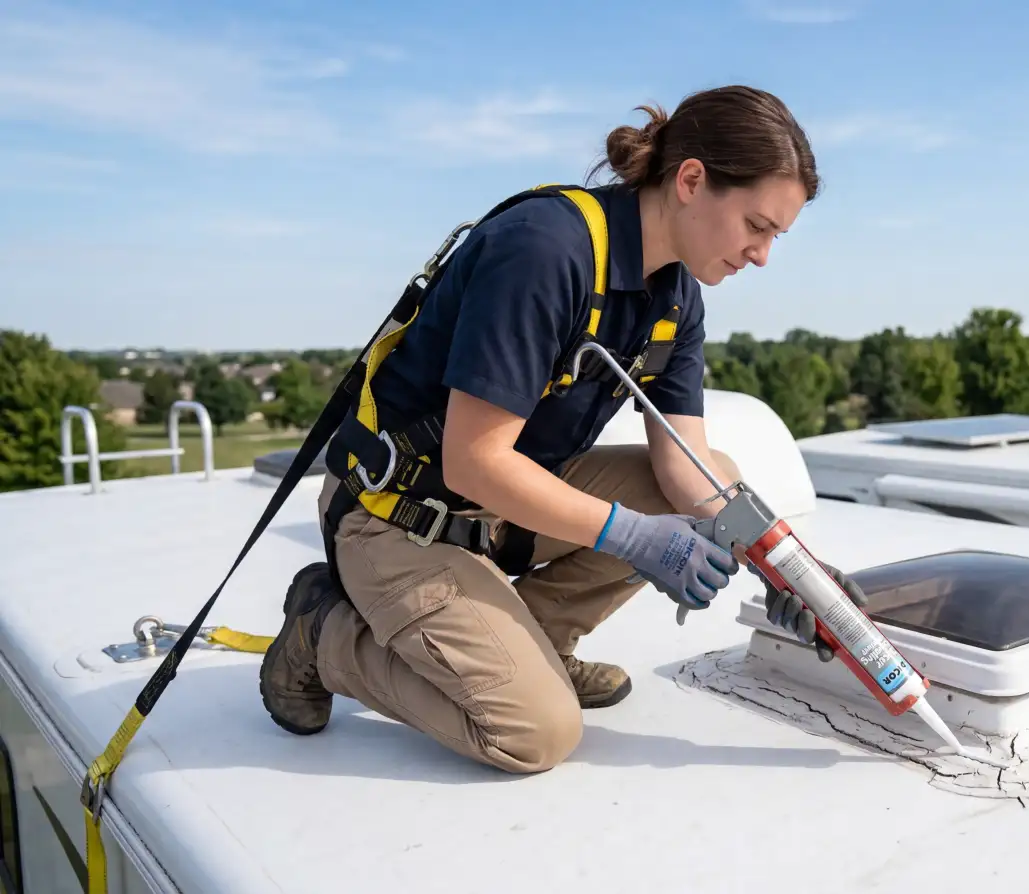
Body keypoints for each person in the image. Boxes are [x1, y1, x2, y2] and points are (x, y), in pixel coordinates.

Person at [257, 84, 865, 775]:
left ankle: (538, 645)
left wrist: (788, 569)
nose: (762, 255)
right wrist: (633, 538)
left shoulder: (677, 295)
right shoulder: (546, 253)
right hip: (398, 515)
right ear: (692, 179)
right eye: (757, 225)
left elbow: (688, 466)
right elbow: (474, 461)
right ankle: (324, 634)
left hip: (496, 511)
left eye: (775, 237)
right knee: (536, 735)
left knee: (695, 494)